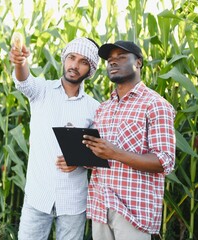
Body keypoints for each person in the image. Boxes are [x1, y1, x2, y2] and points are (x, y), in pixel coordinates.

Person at [82, 40, 176, 240]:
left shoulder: (156, 105)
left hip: (133, 211)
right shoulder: (103, 108)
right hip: (100, 206)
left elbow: (164, 161)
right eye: (110, 60)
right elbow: (100, 158)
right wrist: (80, 156)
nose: (113, 63)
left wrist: (115, 153)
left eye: (121, 57)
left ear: (139, 63)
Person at [9, 37, 100, 240]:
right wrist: (20, 62)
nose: (75, 65)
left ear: (90, 70)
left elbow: (97, 151)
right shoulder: (41, 90)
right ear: (64, 60)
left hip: (73, 202)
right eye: (71, 58)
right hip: (38, 197)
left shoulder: (94, 107)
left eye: (83, 62)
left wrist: (78, 162)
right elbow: (24, 81)